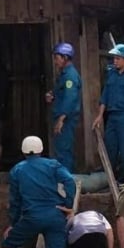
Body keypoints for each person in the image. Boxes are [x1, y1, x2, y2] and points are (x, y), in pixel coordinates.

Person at [0, 136, 75, 248]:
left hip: (31, 216)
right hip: (55, 215)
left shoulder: (17, 170)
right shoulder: (53, 165)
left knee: (10, 243)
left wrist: (13, 223)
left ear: (24, 151)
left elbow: (15, 201)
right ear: (41, 150)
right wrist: (68, 205)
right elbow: (69, 180)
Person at [92, 43, 124, 180]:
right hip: (112, 116)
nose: (114, 61)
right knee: (111, 148)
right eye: (114, 58)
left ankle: (123, 179)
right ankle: (109, 178)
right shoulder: (111, 74)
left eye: (118, 58)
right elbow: (105, 96)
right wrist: (100, 116)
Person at [46, 43, 81, 172]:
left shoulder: (70, 76)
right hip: (61, 118)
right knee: (61, 150)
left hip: (66, 120)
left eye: (57, 58)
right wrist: (52, 95)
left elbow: (70, 98)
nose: (55, 62)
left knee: (64, 151)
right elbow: (61, 93)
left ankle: (66, 180)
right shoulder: (63, 75)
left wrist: (61, 119)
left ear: (65, 57)